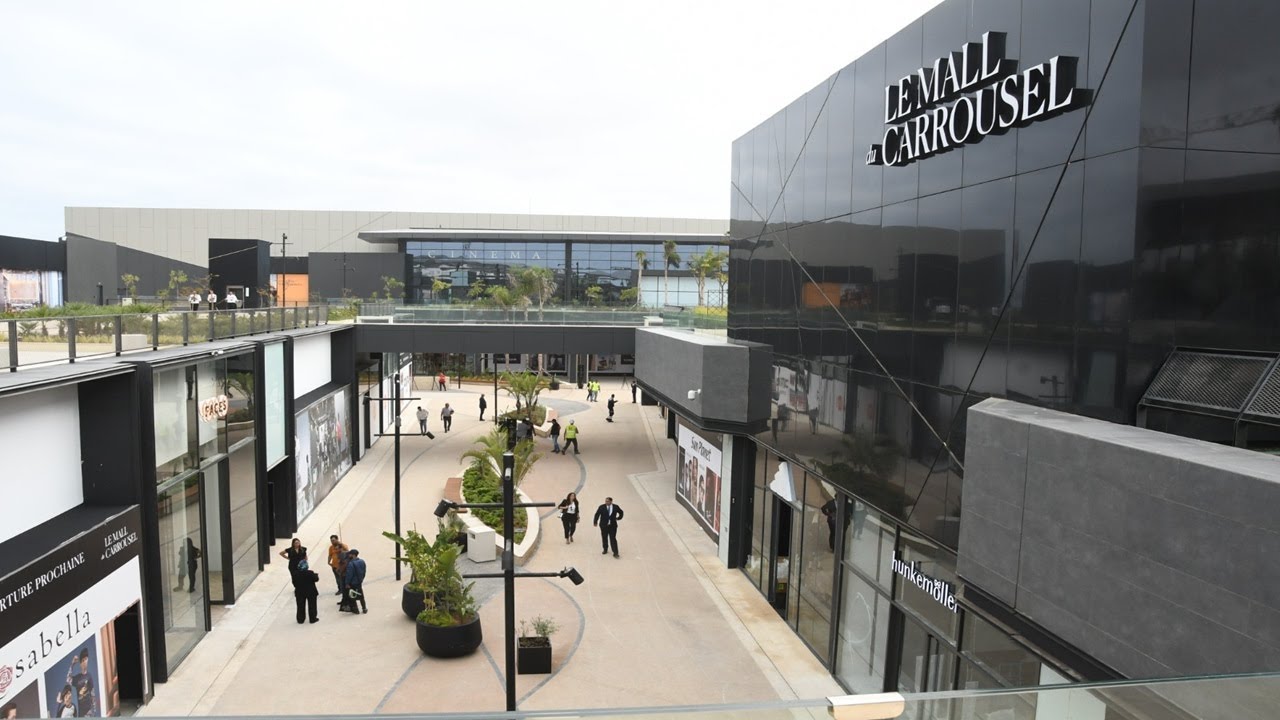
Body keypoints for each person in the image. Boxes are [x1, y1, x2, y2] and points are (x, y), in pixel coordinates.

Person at [67, 649, 97, 717]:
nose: (84, 662)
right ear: (80, 664)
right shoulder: (77, 678)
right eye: (82, 660)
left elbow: (92, 693)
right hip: (81, 713)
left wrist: (94, 710)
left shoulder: (89, 676)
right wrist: (72, 664)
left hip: (89, 711)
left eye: (86, 659)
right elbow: (68, 679)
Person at [292, 558, 321, 624]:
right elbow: (316, 579)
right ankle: (313, 618)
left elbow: (294, 583)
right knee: (312, 605)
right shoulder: (310, 573)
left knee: (300, 606)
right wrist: (316, 575)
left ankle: (300, 619)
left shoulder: (295, 574)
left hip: (299, 592)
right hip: (311, 592)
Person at [342, 548, 367, 613]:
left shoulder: (351, 564)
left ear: (353, 555)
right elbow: (364, 571)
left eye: (350, 554)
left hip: (352, 583)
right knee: (361, 596)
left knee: (352, 596)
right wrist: (361, 579)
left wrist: (347, 583)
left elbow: (349, 575)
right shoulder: (362, 561)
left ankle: (356, 610)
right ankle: (364, 608)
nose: (348, 555)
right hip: (359, 582)